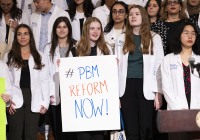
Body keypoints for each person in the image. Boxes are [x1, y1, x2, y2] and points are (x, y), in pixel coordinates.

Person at [115, 5, 164, 140]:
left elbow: (159, 67)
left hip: (147, 87)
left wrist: (158, 93)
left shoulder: (155, 38)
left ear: (143, 16)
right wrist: (115, 95)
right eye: (131, 14)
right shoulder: (121, 38)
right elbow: (116, 67)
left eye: (137, 14)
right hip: (126, 88)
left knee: (146, 130)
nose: (133, 16)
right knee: (131, 131)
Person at [4, 24, 49, 140]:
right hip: (14, 98)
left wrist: (45, 102)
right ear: (16, 37)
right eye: (19, 34)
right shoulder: (9, 56)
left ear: (30, 36)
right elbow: (5, 80)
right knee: (15, 134)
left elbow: (45, 80)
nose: (22, 37)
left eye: (25, 34)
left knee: (31, 134)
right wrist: (8, 101)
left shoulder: (40, 56)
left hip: (34, 98)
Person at [70, 17, 112, 140]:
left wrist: (114, 64)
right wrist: (62, 67)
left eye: (98, 28)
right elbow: (70, 76)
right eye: (92, 28)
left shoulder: (106, 50)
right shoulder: (75, 50)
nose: (95, 31)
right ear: (86, 30)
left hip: (99, 105)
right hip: (81, 105)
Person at [161, 22, 200, 140]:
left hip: (197, 111)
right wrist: (178, 108)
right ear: (179, 36)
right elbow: (166, 88)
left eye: (193, 34)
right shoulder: (169, 59)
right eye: (186, 33)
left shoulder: (198, 59)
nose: (190, 36)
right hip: (176, 111)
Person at [44, 16, 76, 140]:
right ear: (55, 29)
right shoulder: (48, 48)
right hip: (55, 87)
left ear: (69, 29)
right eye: (59, 27)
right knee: (58, 124)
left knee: (72, 123)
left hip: (72, 88)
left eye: (64, 27)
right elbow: (46, 71)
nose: (62, 30)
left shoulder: (77, 45)